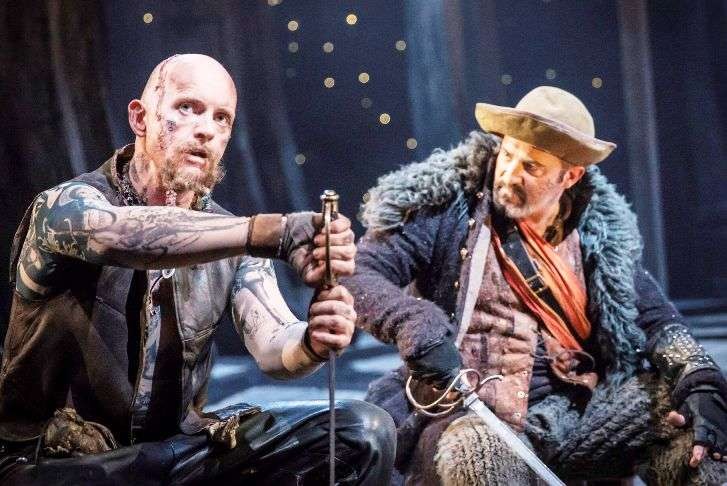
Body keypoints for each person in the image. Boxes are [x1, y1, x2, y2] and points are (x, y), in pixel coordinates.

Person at [0, 53, 395, 485]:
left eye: (221, 118)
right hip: (57, 465)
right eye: (187, 107)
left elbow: (273, 347)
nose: (206, 128)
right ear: (140, 118)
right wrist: (274, 232)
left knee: (361, 431)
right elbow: (119, 235)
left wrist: (312, 341)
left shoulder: (234, 239)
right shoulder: (65, 207)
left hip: (170, 457)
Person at [342, 86, 727, 485]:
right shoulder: (445, 209)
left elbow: (657, 320)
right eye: (507, 155)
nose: (510, 174)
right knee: (477, 454)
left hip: (580, 409)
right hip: (475, 412)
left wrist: (700, 381)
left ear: (570, 176)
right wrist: (417, 325)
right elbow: (358, 272)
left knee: (691, 424)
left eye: (532, 166)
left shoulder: (599, 236)